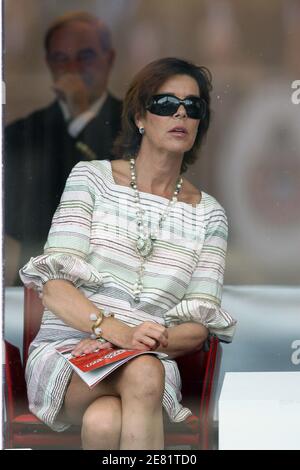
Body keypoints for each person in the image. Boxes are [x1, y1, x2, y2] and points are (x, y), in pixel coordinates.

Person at [19, 57, 237, 450]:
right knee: (141, 374)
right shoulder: (92, 178)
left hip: (151, 354)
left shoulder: (210, 215)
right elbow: (53, 289)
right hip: (70, 350)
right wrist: (114, 331)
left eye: (193, 106)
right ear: (140, 116)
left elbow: (197, 327)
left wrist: (137, 343)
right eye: (166, 104)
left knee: (106, 421)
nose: (182, 113)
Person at [5, 11, 122, 285]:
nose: (72, 68)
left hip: (115, 289)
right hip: (37, 291)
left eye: (85, 56)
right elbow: (16, 220)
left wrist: (81, 115)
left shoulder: (139, 125)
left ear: (110, 60)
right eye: (61, 58)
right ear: (49, 64)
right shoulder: (22, 133)